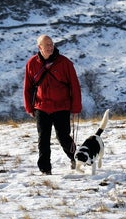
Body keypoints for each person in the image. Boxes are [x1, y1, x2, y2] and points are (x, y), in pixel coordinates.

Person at [23, 34, 82, 175]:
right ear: (40, 47)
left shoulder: (65, 63)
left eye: (51, 44)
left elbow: (74, 85)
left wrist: (76, 106)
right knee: (43, 138)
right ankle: (45, 169)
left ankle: (75, 158)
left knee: (63, 136)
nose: (50, 47)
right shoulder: (32, 63)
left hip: (61, 106)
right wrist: (29, 107)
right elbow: (27, 87)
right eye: (46, 45)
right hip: (41, 107)